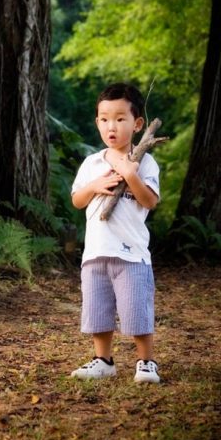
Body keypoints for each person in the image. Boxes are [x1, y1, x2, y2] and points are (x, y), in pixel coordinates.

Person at [69, 82, 161, 384]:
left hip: (131, 254)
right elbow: (77, 200)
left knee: (136, 310)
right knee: (98, 310)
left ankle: (146, 362)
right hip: (96, 252)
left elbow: (150, 201)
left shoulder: (145, 162)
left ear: (137, 124)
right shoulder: (92, 163)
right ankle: (103, 359)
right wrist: (95, 186)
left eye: (120, 119)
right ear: (97, 122)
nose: (112, 126)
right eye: (105, 119)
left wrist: (130, 174)